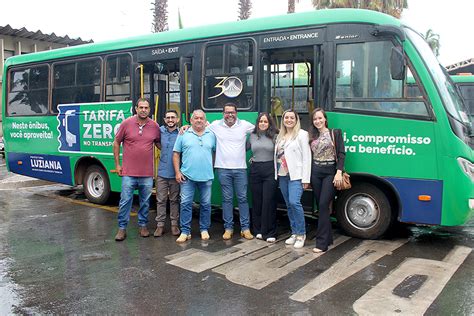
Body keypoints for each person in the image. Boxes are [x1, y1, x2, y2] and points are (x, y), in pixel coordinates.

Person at [113, 98, 161, 241]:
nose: (143, 110)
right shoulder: (126, 124)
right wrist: (117, 164)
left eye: (146, 107)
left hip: (146, 174)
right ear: (136, 109)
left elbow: (160, 144)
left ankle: (143, 225)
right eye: (141, 107)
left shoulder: (154, 126)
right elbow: (116, 143)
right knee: (125, 201)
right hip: (129, 173)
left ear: (149, 110)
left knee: (145, 202)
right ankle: (122, 228)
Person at [208, 103, 255, 240]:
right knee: (227, 200)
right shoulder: (216, 125)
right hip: (223, 169)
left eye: (232, 112)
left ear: (236, 113)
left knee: (243, 199)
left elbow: (260, 130)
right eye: (227, 112)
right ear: (223, 114)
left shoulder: (245, 125)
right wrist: (185, 127)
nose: (230, 115)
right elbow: (200, 127)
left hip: (240, 169)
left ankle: (245, 228)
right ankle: (228, 228)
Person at [173, 110, 216, 243]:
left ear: (205, 120)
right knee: (185, 204)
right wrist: (177, 172)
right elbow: (176, 154)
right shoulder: (183, 133)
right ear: (191, 121)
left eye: (201, 118)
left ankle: (204, 229)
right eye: (196, 118)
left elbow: (214, 153)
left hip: (207, 177)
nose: (198, 120)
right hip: (187, 177)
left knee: (206, 205)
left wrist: (210, 167)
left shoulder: (211, 134)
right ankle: (185, 231)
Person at [309, 108, 345, 253]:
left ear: (325, 119)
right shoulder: (311, 136)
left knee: (324, 205)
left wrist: (339, 172)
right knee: (321, 206)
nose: (317, 121)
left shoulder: (334, 133)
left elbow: (341, 153)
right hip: (316, 172)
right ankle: (328, 237)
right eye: (315, 119)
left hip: (330, 172)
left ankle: (321, 243)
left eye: (320, 118)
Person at [274, 110, 311, 249]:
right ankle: (294, 232)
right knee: (288, 205)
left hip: (296, 175)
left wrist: (306, 178)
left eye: (291, 118)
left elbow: (307, 157)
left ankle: (301, 234)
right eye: (286, 118)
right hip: (283, 175)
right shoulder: (281, 135)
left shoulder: (302, 134)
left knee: (294, 202)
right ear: (283, 119)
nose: (289, 120)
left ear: (296, 120)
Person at [247, 112, 279, 243]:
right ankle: (258, 230)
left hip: (270, 170)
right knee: (257, 201)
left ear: (269, 123)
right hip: (255, 170)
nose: (263, 124)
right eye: (261, 121)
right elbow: (243, 148)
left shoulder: (275, 136)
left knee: (269, 201)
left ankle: (270, 232)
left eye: (265, 121)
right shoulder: (252, 136)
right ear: (257, 123)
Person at [154, 109, 181, 237]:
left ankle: (174, 225)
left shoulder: (182, 132)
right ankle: (160, 225)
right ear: (165, 120)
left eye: (173, 117)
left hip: (176, 173)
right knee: (160, 200)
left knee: (175, 200)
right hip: (162, 172)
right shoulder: (160, 131)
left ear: (177, 120)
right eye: (168, 118)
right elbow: (157, 142)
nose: (170, 120)